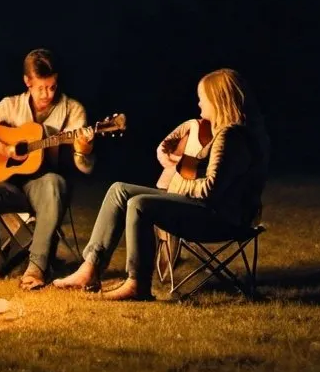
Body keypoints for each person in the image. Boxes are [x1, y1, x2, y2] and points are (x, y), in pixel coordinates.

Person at [53, 67, 266, 301]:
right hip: (209, 209)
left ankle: (138, 284)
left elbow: (209, 191)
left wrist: (177, 179)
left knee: (140, 204)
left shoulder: (231, 136)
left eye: (202, 98)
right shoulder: (224, 133)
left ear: (219, 100)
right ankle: (90, 268)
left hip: (221, 218)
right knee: (119, 190)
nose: (198, 103)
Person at [0, 49, 95, 290]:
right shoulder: (10, 106)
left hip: (45, 186)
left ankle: (37, 267)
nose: (47, 94)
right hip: (9, 184)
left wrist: (83, 150)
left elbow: (84, 168)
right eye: (41, 88)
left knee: (54, 182)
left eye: (52, 87)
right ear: (27, 82)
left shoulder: (73, 110)